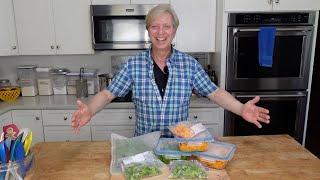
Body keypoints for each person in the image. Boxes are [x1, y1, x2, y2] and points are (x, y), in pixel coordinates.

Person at [71, 4, 270, 137]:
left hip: (179, 146)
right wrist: (90, 109)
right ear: (148, 31)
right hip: (145, 147)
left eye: (166, 26)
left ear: (174, 30)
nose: (160, 32)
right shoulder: (133, 65)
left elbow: (216, 93)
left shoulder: (189, 65)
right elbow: (107, 94)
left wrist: (242, 108)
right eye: (155, 27)